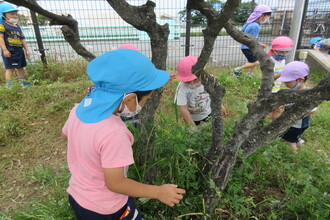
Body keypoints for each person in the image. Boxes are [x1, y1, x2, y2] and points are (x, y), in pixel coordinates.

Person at [62, 49, 185, 219]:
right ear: (128, 99)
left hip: (78, 197)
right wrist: (158, 192)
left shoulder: (78, 110)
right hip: (107, 208)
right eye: (146, 99)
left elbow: (66, 134)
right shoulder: (115, 133)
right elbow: (115, 183)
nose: (145, 102)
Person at [272, 61, 317, 154]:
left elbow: (314, 109)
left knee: (290, 141)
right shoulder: (296, 91)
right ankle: (297, 140)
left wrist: (297, 115)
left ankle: (294, 156)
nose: (285, 84)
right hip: (295, 124)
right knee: (289, 136)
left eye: (288, 81)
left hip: (297, 125)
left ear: (300, 79)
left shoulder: (306, 94)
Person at [174, 56, 227, 126]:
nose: (192, 83)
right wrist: (192, 126)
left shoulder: (209, 80)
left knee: (211, 128)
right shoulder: (182, 88)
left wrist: (220, 105)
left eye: (195, 79)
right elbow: (183, 108)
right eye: (188, 81)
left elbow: (215, 95)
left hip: (209, 111)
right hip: (193, 117)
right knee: (195, 134)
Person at [233, 5, 272, 76]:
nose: (267, 18)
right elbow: (252, 40)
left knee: (254, 60)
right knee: (257, 62)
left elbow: (243, 34)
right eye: (267, 16)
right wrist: (260, 45)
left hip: (245, 46)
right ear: (261, 15)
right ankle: (237, 69)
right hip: (248, 47)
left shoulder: (249, 23)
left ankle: (250, 73)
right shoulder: (255, 26)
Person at [0, 2, 31, 88]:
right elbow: (1, 38)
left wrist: (27, 50)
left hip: (19, 51)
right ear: (3, 15)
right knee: (10, 68)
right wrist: (5, 50)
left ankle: (23, 82)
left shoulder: (17, 26)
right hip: (10, 51)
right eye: (11, 14)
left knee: (20, 67)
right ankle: (10, 85)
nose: (14, 16)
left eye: (15, 14)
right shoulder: (2, 26)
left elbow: (22, 39)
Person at [268, 36, 293, 120]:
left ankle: (273, 126)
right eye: (281, 52)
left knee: (277, 110)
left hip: (276, 89)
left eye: (286, 52)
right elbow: (269, 79)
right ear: (273, 51)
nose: (284, 54)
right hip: (268, 89)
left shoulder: (283, 61)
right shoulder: (270, 62)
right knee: (265, 110)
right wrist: (282, 74)